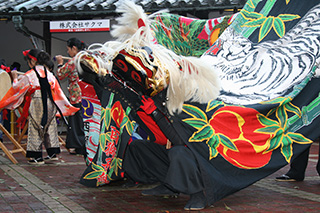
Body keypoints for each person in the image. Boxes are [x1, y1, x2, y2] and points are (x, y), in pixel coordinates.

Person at [0, 49, 79, 164]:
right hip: (50, 102)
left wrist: (15, 77)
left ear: (32, 61)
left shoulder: (30, 74)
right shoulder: (49, 74)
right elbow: (57, 90)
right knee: (50, 127)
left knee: (36, 127)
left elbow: (17, 88)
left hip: (37, 101)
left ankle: (36, 156)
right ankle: (52, 153)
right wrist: (64, 106)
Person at [55, 38, 86, 156]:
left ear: (74, 48)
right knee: (84, 122)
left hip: (76, 96)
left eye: (68, 49)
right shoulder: (87, 58)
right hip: (87, 96)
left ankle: (79, 146)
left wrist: (59, 63)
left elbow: (61, 75)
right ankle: (84, 146)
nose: (67, 52)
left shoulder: (73, 61)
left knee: (77, 124)